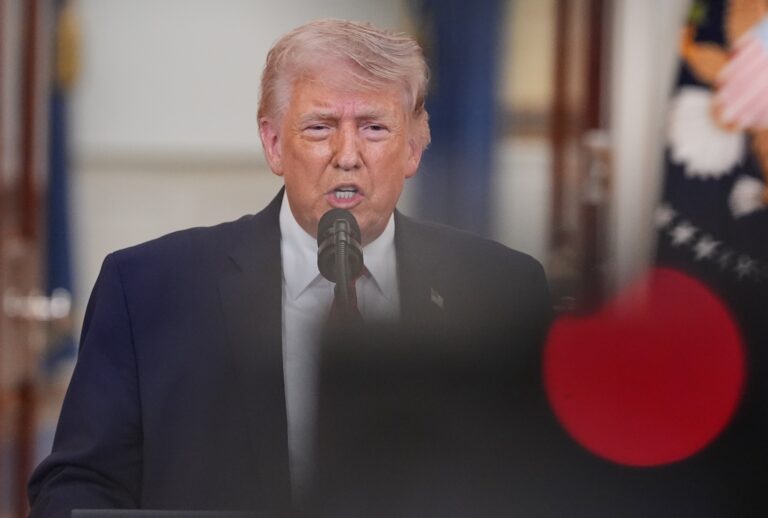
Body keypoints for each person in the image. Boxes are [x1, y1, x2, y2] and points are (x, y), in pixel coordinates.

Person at [28, 19, 551, 516]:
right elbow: (76, 485)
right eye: (320, 127)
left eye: (373, 127)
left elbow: (540, 483)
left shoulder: (500, 289)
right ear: (274, 144)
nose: (347, 155)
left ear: (414, 147)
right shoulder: (147, 289)